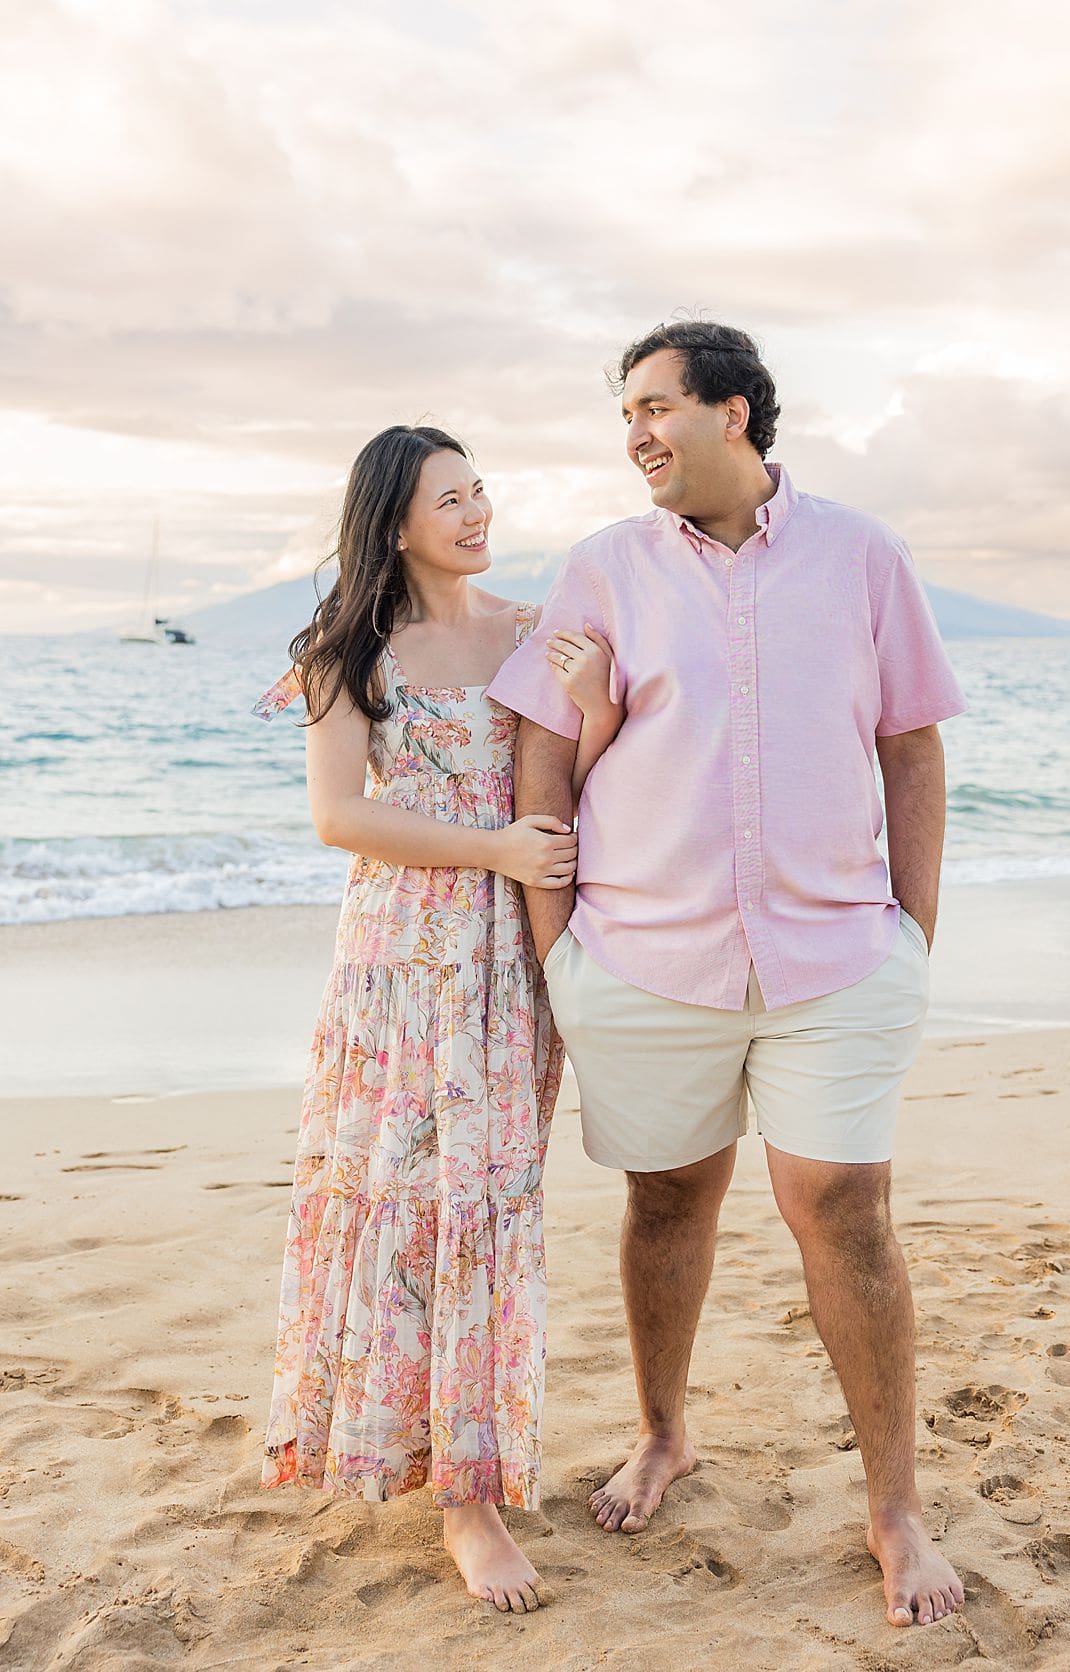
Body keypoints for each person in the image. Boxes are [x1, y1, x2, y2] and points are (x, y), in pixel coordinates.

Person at [486, 320, 970, 1630]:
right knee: (667, 1204)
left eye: (655, 407)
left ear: (736, 414)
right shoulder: (600, 569)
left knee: (846, 1210)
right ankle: (664, 1434)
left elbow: (911, 750)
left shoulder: (864, 557)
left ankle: (895, 1509)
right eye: (625, 415)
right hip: (643, 958)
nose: (636, 433)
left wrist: (910, 934)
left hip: (837, 957)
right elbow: (543, 761)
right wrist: (559, 951)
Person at [253, 424, 621, 1614]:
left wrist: (591, 696)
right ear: (394, 521)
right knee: (403, 1195)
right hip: (400, 962)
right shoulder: (345, 650)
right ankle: (445, 1490)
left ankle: (471, 1474)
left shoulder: (527, 632)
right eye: (448, 500)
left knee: (489, 1202)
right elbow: (340, 818)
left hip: (507, 961)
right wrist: (493, 850)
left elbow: (586, 774)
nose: (476, 514)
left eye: (480, 493)